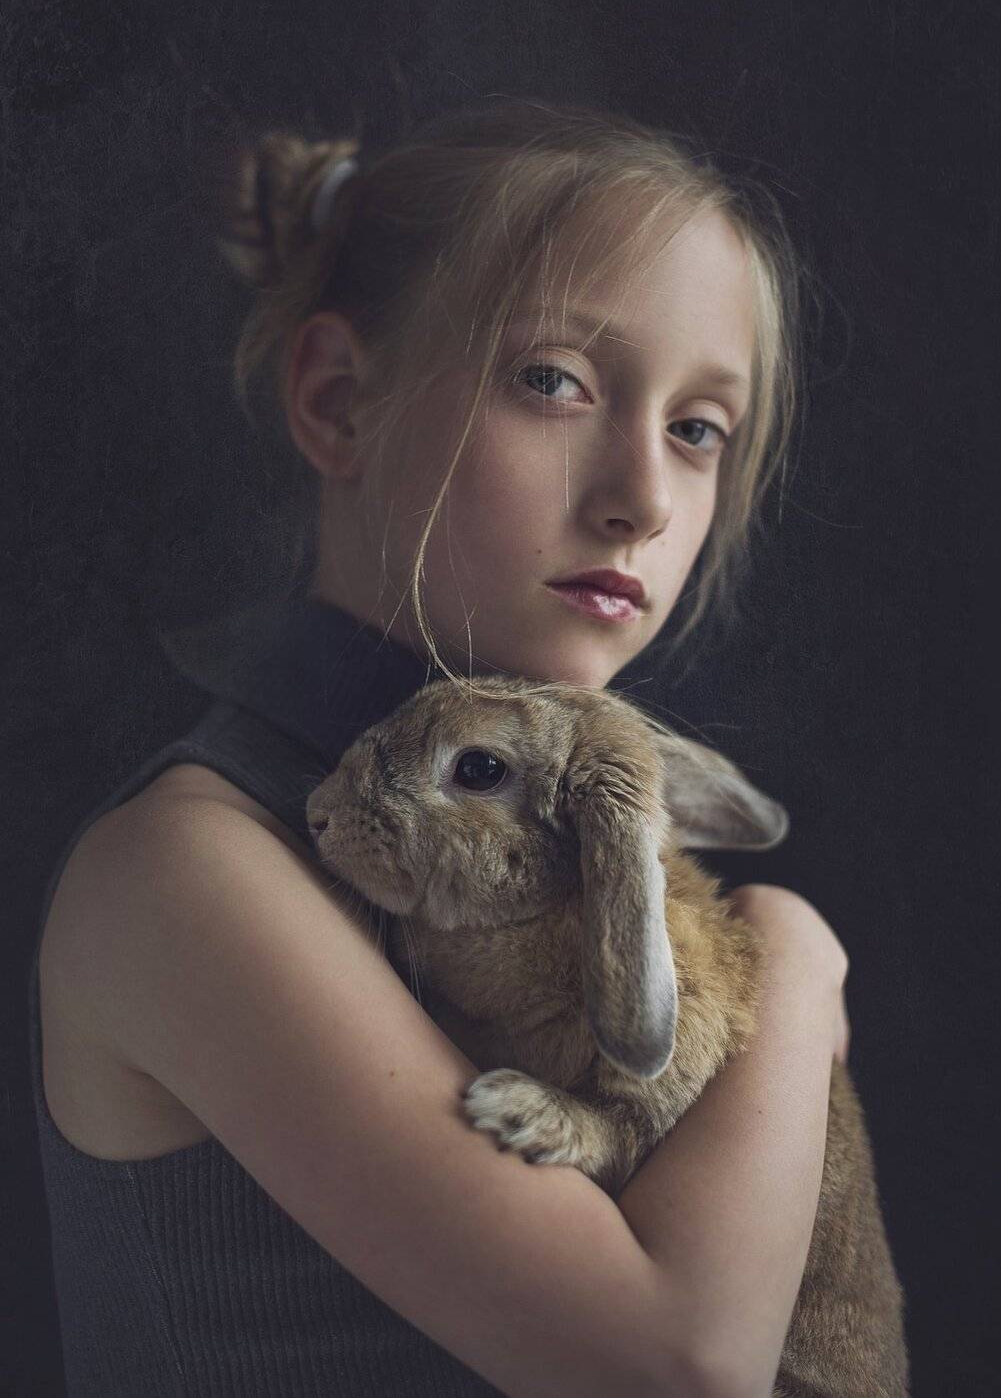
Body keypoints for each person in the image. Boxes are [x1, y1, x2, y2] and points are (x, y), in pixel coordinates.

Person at [28, 97, 850, 1398]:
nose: (642, 495)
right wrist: (795, 973)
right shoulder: (192, 872)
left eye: (699, 428)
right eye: (556, 382)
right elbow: (674, 1367)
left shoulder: (586, 838)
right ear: (340, 402)